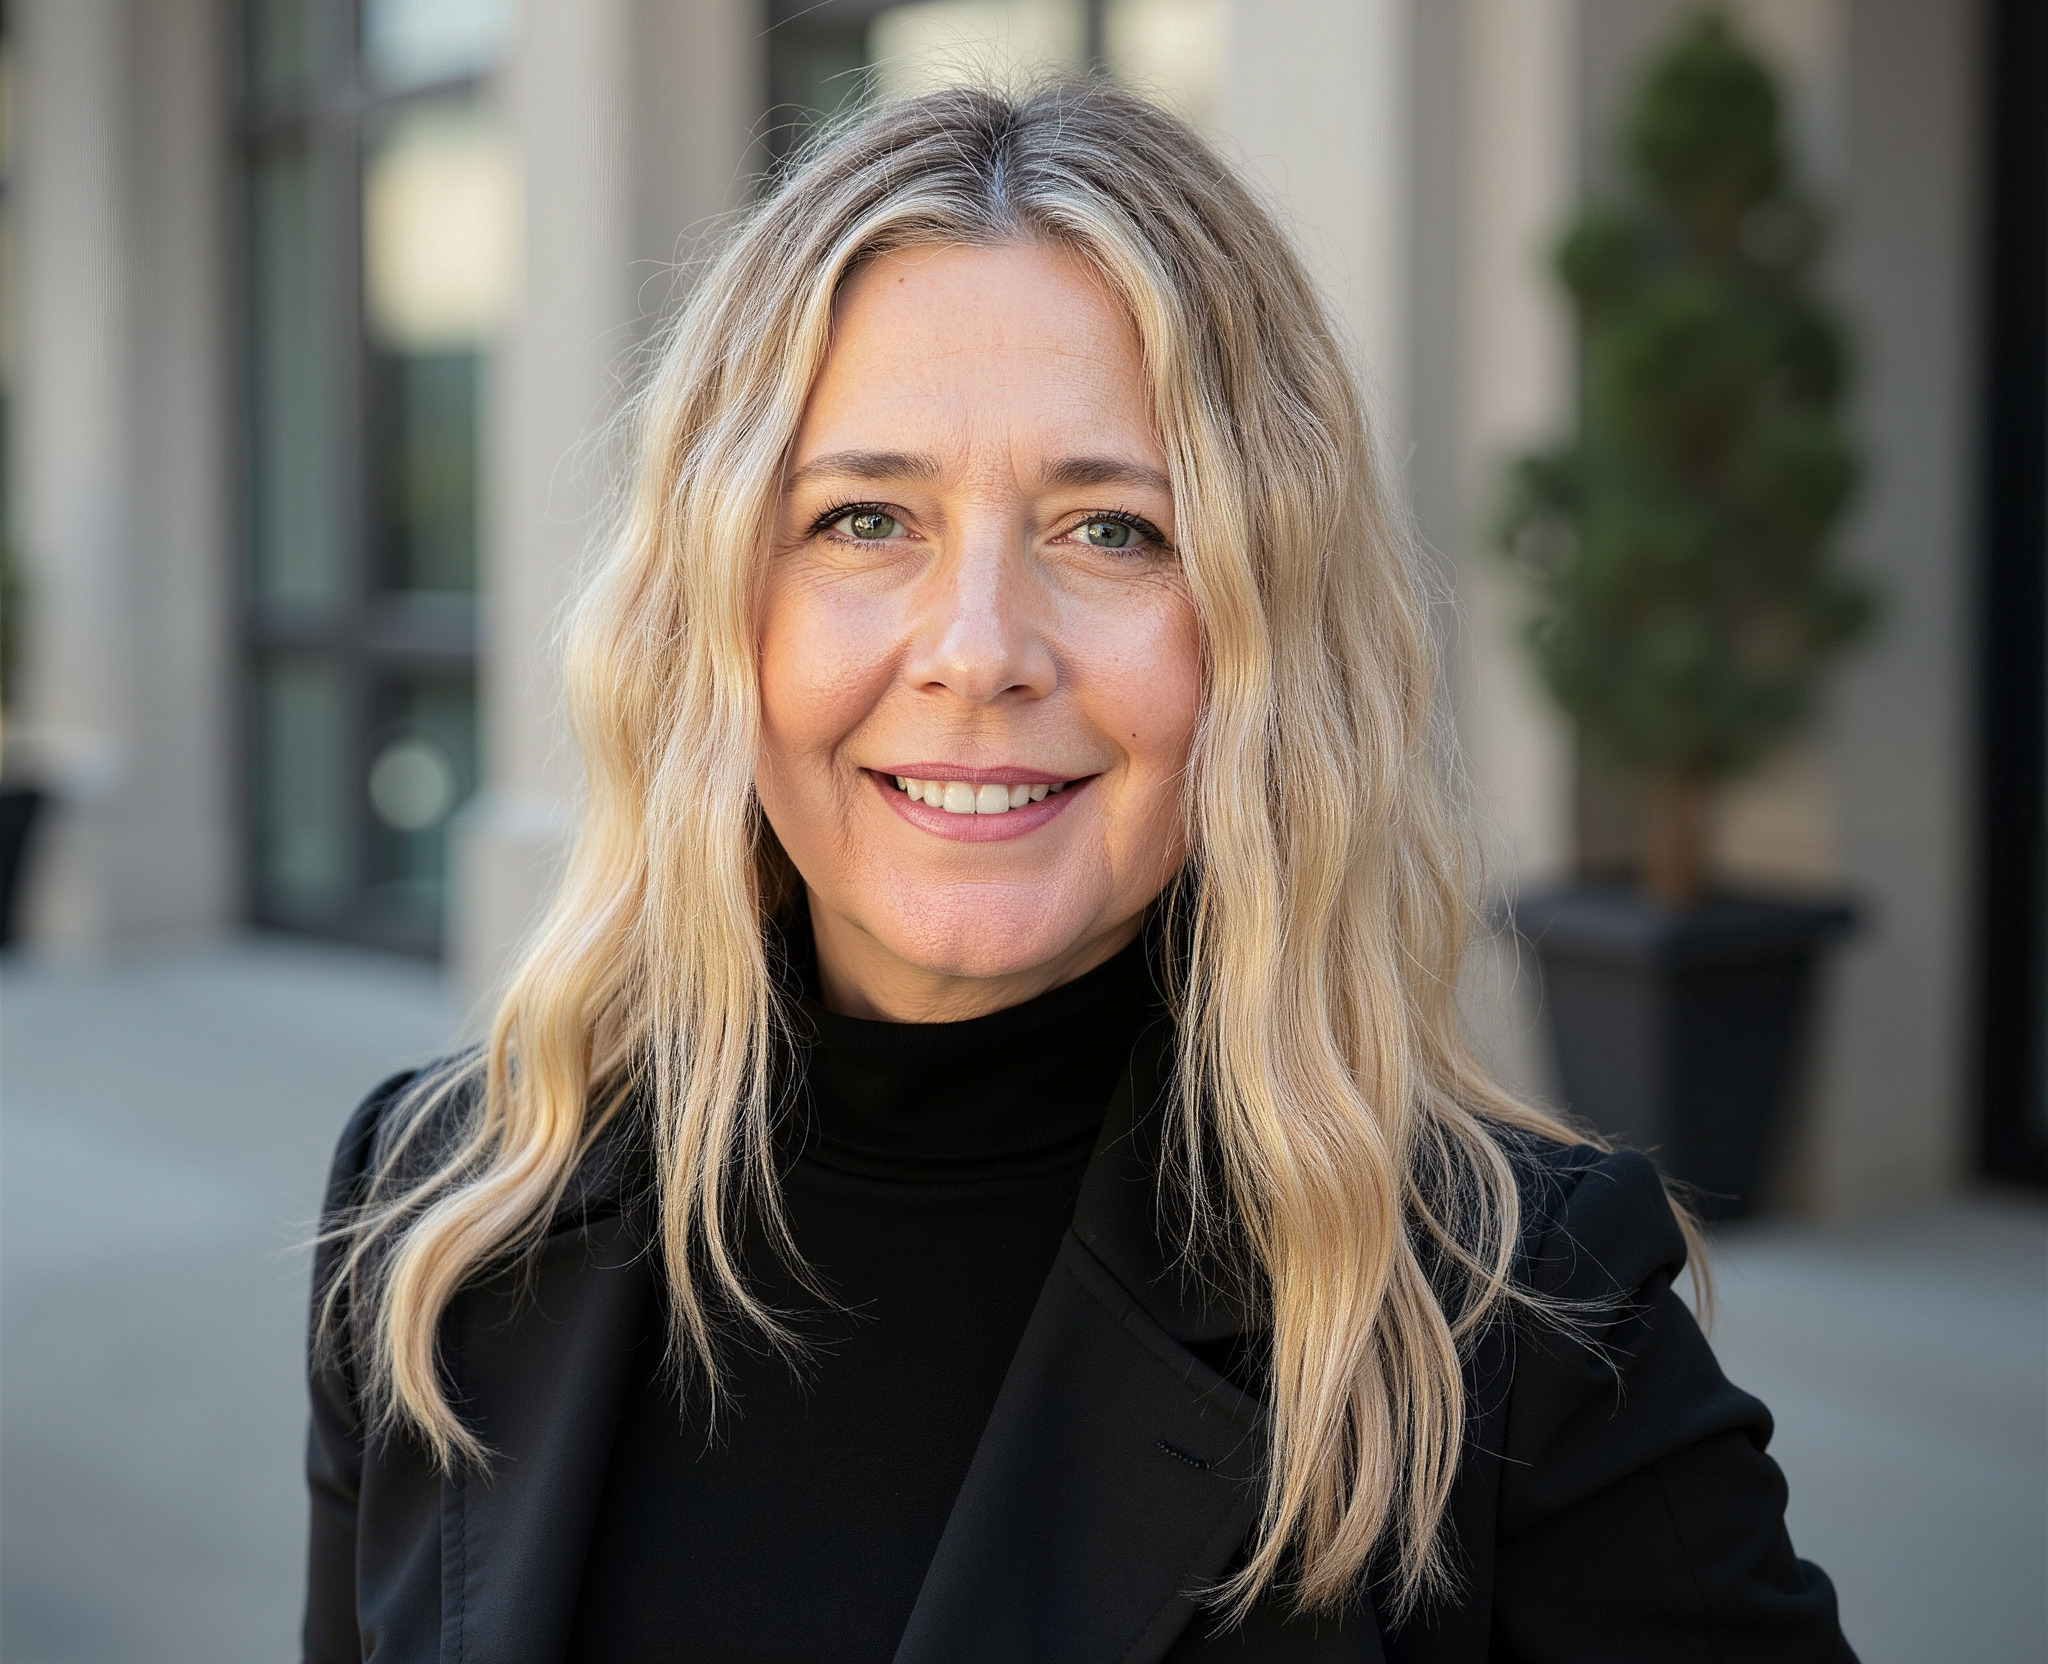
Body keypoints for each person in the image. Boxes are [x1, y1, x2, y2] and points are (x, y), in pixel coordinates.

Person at [303, 82, 1855, 1664]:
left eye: (1113, 530)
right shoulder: (435, 1218)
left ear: (1265, 631)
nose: (979, 652)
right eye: (863, 519)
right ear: (712, 615)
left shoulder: (1520, 1324)